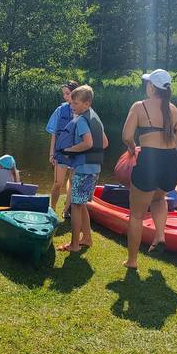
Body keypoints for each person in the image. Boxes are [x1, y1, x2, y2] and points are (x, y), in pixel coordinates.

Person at [121, 69, 177, 269]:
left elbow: (127, 135)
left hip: (149, 160)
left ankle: (132, 261)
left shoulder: (139, 106)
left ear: (151, 87)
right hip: (172, 162)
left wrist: (132, 148)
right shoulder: (173, 109)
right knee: (158, 198)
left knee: (137, 214)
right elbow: (176, 140)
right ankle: (160, 236)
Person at [58, 85, 109, 253]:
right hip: (95, 169)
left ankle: (74, 245)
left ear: (86, 104)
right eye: (71, 103)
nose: (72, 106)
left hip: (84, 169)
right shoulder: (96, 117)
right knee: (82, 205)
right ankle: (86, 238)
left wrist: (69, 150)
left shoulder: (81, 120)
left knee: (76, 206)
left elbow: (88, 143)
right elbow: (105, 143)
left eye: (75, 103)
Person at [46, 81, 79, 216]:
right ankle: (52, 209)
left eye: (67, 93)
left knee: (72, 182)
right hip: (61, 153)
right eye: (64, 94)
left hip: (77, 153)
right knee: (58, 183)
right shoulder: (60, 110)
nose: (65, 97)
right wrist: (51, 153)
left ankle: (66, 210)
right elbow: (54, 133)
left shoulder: (83, 111)